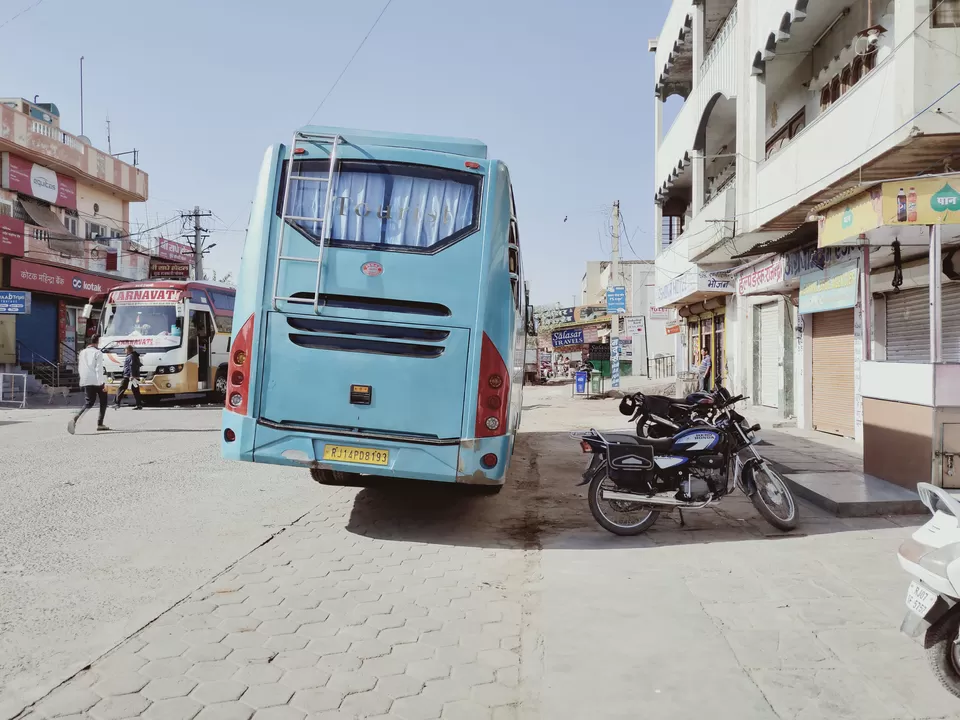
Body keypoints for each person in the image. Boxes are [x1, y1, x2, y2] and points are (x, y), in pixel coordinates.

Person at [68, 335, 110, 434]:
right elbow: (98, 369)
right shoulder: (98, 353)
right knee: (103, 401)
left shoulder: (82, 352)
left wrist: (82, 380)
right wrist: (102, 383)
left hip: (86, 380)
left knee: (89, 402)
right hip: (96, 380)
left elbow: (80, 367)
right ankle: (100, 423)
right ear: (98, 342)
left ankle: (76, 417)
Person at [114, 345, 143, 410]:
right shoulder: (134, 356)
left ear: (128, 349)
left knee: (121, 388)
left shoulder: (131, 356)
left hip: (128, 376)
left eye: (125, 350)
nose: (124, 351)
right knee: (135, 390)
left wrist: (132, 375)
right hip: (133, 375)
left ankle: (117, 403)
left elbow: (131, 366)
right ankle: (139, 405)